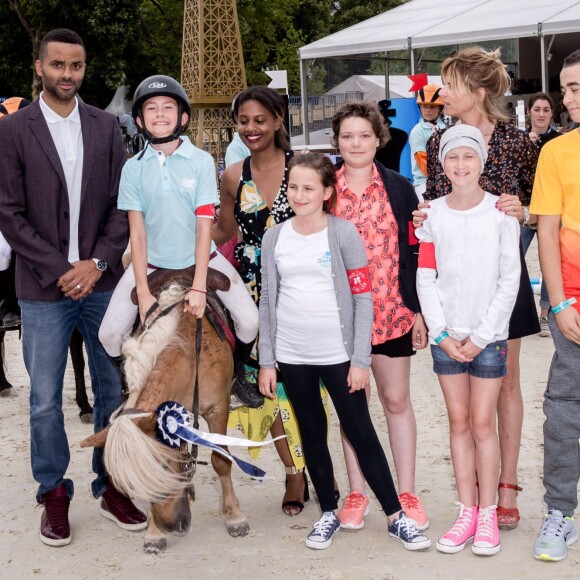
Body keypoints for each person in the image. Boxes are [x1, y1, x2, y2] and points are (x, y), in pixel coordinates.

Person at [0, 28, 146, 546]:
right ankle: (53, 492)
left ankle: (111, 485)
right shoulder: (14, 130)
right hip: (42, 288)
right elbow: (9, 214)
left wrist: (98, 264)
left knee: (113, 389)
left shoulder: (107, 127)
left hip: (101, 284)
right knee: (43, 397)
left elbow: (120, 206)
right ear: (39, 67)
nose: (68, 74)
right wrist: (61, 268)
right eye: (58, 65)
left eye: (76, 66)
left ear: (85, 68)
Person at [258, 152, 431, 552]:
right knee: (313, 433)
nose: (299, 195)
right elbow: (268, 301)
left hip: (338, 354)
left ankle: (394, 515)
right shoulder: (275, 237)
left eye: (308, 188)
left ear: (326, 193)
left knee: (360, 431)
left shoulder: (342, 233)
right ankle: (328, 514)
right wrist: (268, 360)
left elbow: (362, 298)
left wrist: (359, 359)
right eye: (293, 187)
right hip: (293, 354)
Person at [418, 47, 540, 530]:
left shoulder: (516, 142)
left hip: (503, 285)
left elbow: (539, 204)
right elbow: (431, 205)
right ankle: (472, 496)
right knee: (463, 409)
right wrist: (420, 219)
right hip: (454, 287)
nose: (441, 92)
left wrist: (523, 210)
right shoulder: (441, 138)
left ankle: (505, 485)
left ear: (479, 92)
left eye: (450, 84)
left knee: (504, 383)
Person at [98, 75, 258, 399]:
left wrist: (199, 286)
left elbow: (204, 227)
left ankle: (237, 376)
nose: (160, 114)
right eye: (151, 108)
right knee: (109, 334)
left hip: (203, 258)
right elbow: (138, 234)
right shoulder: (133, 169)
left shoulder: (200, 161)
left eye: (168, 107)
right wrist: (142, 292)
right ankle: (129, 382)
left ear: (182, 116)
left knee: (250, 321)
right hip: (152, 261)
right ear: (140, 120)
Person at [214, 86, 328, 516]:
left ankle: (320, 465)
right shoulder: (231, 175)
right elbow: (225, 231)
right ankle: (294, 470)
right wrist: (178, 237)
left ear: (279, 120)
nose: (251, 128)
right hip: (252, 294)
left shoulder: (302, 168)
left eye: (260, 120)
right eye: (243, 121)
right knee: (269, 388)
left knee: (306, 387)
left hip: (300, 287)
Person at [417, 125, 521, 556]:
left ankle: (489, 514)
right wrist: (440, 334)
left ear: (481, 161)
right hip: (447, 341)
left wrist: (480, 338)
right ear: (442, 164)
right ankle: (467, 511)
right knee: (458, 423)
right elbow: (426, 276)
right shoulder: (431, 215)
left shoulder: (501, 215)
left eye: (469, 157)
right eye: (452, 158)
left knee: (482, 424)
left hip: (489, 340)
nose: (461, 165)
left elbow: (510, 280)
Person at [330, 100, 430, 532]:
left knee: (395, 400)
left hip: (392, 312)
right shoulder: (323, 188)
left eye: (364, 135)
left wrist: (419, 310)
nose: (355, 143)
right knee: (353, 409)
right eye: (347, 136)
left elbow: (416, 250)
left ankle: (405, 490)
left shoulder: (400, 188)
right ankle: (357, 490)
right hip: (340, 320)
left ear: (378, 139)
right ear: (337, 141)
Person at [530, 49, 580, 563]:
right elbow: (545, 230)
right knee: (564, 413)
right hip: (573, 301)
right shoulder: (557, 152)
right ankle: (560, 513)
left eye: (575, 88)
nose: (566, 99)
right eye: (564, 89)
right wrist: (560, 302)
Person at [522, 92, 562, 338]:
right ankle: (517, 310)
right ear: (529, 112)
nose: (541, 114)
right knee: (513, 257)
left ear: (551, 113)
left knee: (551, 262)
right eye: (537, 109)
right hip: (526, 209)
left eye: (546, 110)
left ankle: (545, 314)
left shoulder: (559, 141)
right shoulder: (519, 139)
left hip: (552, 210)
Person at [409, 83, 447, 200]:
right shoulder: (417, 131)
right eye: (425, 106)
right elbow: (423, 162)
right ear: (420, 107)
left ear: (440, 108)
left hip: (446, 181)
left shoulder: (444, 127)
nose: (428, 111)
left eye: (432, 107)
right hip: (425, 183)